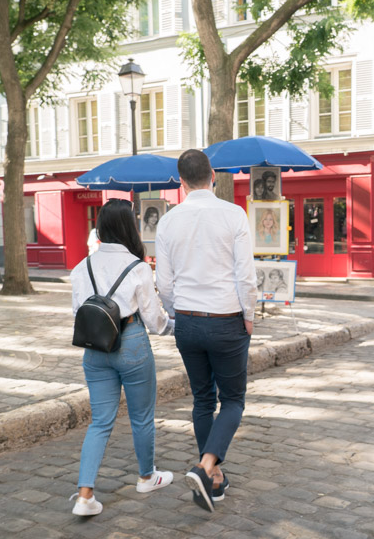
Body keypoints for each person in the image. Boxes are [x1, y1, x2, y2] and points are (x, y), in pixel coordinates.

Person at [156, 149, 257, 512]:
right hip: (226, 319)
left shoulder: (167, 222)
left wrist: (175, 314)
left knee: (202, 398)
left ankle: (213, 480)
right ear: (212, 175)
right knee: (232, 399)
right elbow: (245, 275)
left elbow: (163, 283)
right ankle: (205, 466)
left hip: (187, 320)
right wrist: (250, 315)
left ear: (180, 181)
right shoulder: (234, 215)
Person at [69, 199, 175, 517]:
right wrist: (175, 328)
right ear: (129, 227)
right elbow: (155, 321)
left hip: (95, 349)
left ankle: (85, 495)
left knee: (100, 421)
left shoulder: (81, 267)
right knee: (141, 417)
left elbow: (78, 313)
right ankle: (146, 477)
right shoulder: (138, 267)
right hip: (131, 344)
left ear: (100, 228)